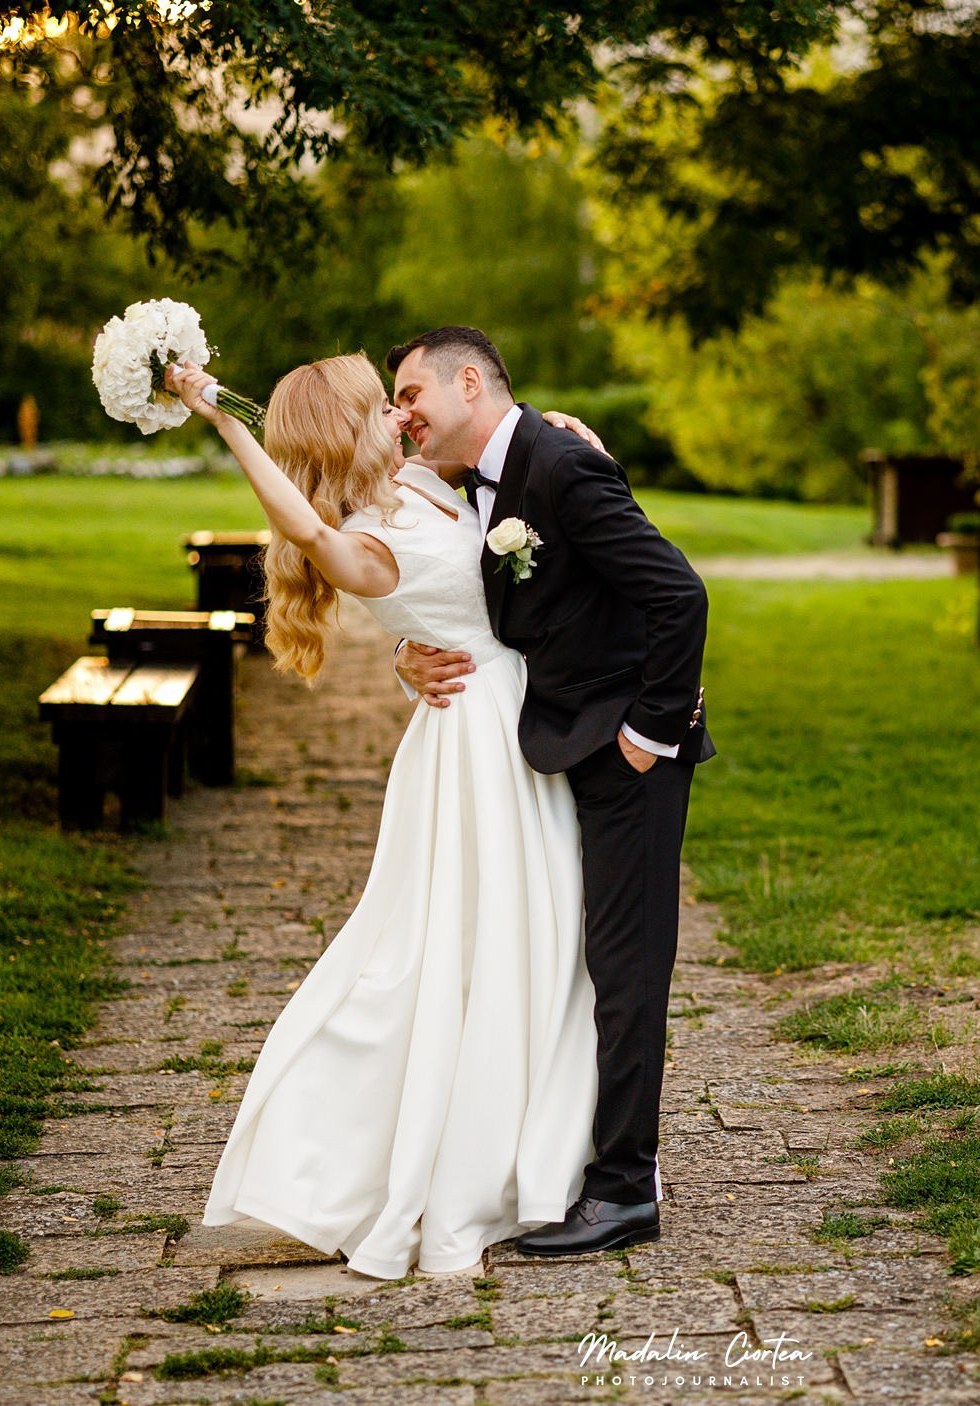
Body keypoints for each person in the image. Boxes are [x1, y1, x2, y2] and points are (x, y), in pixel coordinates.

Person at [164, 354, 602, 1279]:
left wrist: (562, 438)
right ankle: (361, 1155)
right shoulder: (356, 533)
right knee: (447, 952)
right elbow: (304, 526)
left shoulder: (418, 483)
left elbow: (501, 481)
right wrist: (225, 420)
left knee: (543, 939)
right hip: (471, 749)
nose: (406, 415)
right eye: (386, 404)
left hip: (517, 719)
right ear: (353, 426)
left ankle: (548, 1138)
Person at [387, 326, 714, 1257]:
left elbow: (678, 595)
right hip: (555, 748)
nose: (402, 413)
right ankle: (589, 1162)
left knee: (626, 970)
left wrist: (651, 734)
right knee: (580, 964)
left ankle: (623, 1194)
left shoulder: (558, 463)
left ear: (468, 381)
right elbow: (456, 590)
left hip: (627, 755)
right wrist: (405, 649)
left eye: (412, 392)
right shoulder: (486, 478)